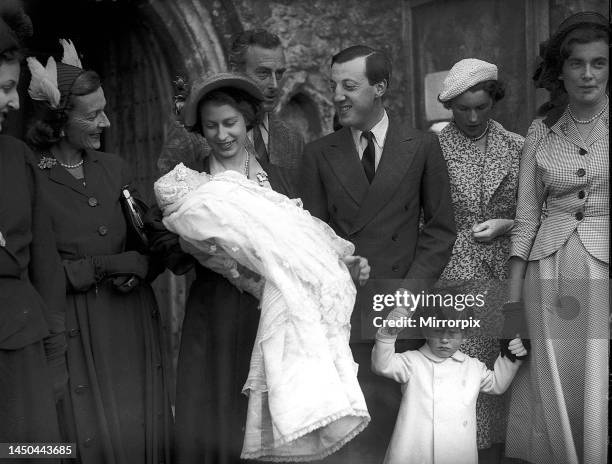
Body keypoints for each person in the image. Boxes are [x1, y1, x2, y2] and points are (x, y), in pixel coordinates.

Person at [147, 72, 370, 463]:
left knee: (274, 410)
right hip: (216, 313)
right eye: (212, 126)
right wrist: (191, 246)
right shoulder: (193, 180)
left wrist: (342, 263)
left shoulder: (281, 179)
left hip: (276, 313)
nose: (222, 135)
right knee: (217, 414)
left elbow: (306, 240)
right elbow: (162, 236)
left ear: (247, 122)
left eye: (230, 123)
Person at [299, 44, 456, 462]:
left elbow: (440, 231)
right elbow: (311, 239)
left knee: (406, 441)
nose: (337, 96)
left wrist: (409, 296)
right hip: (343, 319)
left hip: (402, 315)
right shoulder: (317, 154)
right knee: (352, 444)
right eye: (334, 86)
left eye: (349, 86)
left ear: (380, 87)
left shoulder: (421, 146)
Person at [26, 40, 172, 464]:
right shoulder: (32, 172)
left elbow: (145, 239)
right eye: (91, 115)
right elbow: (40, 268)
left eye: (103, 109)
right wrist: (105, 266)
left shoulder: (114, 167)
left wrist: (148, 264)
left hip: (129, 323)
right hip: (75, 327)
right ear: (58, 119)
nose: (104, 122)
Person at [504, 12, 609, 464]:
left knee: (596, 385)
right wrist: (511, 312)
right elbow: (526, 221)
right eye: (578, 63)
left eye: (599, 63)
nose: (588, 74)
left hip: (602, 267)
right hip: (549, 272)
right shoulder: (540, 134)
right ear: (560, 71)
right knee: (555, 385)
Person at [436, 58, 524, 462]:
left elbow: (539, 212)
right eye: (462, 108)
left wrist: (508, 223)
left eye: (481, 107)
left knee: (505, 365)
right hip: (455, 272)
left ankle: (500, 453)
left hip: (507, 272)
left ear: (495, 102)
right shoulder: (431, 146)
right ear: (450, 106)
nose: (472, 117)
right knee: (460, 368)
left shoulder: (518, 146)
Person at [0, 3, 65, 457]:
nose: (14, 101)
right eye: (5, 88)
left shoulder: (17, 157)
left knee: (30, 454)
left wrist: (55, 347)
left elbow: (44, 260)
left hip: (21, 349)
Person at [371, 298, 527, 464]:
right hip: (415, 450)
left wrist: (511, 357)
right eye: (438, 331)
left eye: (452, 332)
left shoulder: (473, 367)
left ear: (465, 336)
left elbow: (497, 385)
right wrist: (388, 333)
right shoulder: (412, 362)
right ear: (425, 332)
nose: (444, 339)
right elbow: (382, 365)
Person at [158, 28, 303, 191]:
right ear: (235, 70)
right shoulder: (190, 135)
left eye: (279, 74)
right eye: (263, 73)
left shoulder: (292, 137)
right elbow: (168, 199)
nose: (275, 85)